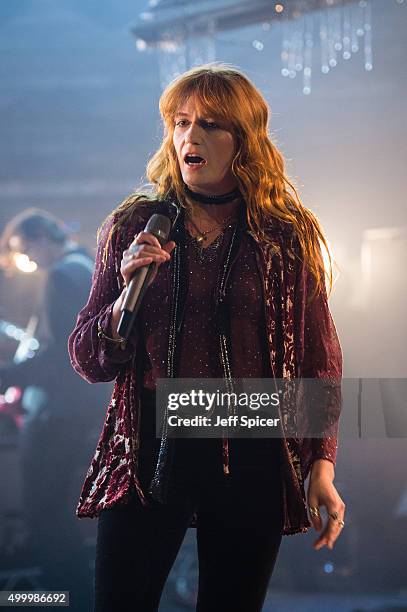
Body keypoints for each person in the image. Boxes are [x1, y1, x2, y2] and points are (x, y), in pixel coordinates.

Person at [68, 63, 345, 612]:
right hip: (150, 441)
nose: (190, 137)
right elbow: (87, 357)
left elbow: (320, 359)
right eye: (180, 121)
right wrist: (126, 295)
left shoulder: (284, 233)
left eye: (211, 124)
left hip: (252, 441)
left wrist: (322, 465)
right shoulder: (134, 226)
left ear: (244, 141)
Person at [0, 208, 108, 611]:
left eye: (24, 250)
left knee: (43, 516)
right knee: (54, 516)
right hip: (71, 413)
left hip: (57, 415)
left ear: (40, 237)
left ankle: (67, 601)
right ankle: (74, 599)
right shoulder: (85, 269)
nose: (26, 260)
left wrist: (8, 374)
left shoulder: (64, 276)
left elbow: (61, 358)